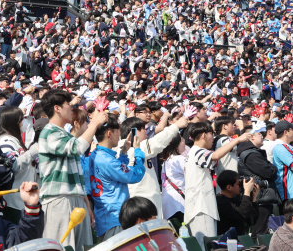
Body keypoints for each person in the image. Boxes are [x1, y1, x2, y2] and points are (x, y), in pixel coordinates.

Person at [37, 90, 108, 251]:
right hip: (59, 199)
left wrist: (86, 204)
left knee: (83, 248)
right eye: (68, 104)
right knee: (62, 247)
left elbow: (77, 175)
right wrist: (94, 123)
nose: (72, 108)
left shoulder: (63, 134)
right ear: (57, 108)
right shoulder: (49, 132)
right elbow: (77, 148)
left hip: (75, 198)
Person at [184, 121, 251, 249]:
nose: (213, 138)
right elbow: (215, 155)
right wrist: (237, 140)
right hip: (201, 207)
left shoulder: (193, 152)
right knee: (207, 245)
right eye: (211, 134)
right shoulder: (197, 151)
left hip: (200, 206)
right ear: (204, 135)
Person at [88, 113, 146, 241]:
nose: (119, 136)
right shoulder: (107, 161)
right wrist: (138, 151)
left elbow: (116, 174)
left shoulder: (95, 155)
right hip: (115, 219)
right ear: (109, 133)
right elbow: (135, 175)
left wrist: (124, 152)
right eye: (117, 133)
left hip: (104, 218)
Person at [0, 106, 40, 215]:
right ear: (13, 123)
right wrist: (34, 150)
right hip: (13, 202)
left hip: (21, 201)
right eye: (21, 120)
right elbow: (13, 165)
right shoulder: (6, 140)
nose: (23, 123)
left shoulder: (15, 140)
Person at [237, 121, 280, 236]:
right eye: (259, 134)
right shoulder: (251, 155)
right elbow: (270, 172)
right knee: (261, 232)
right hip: (260, 198)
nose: (262, 136)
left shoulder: (254, 153)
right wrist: (273, 168)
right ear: (251, 137)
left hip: (262, 197)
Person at [215, 170, 260, 235]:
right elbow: (241, 215)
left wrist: (254, 199)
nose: (241, 186)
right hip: (227, 242)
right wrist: (247, 191)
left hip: (239, 241)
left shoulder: (235, 199)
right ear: (229, 187)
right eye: (238, 184)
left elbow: (251, 221)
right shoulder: (220, 201)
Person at [160, 134, 187, 222]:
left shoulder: (166, 160)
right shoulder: (180, 159)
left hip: (168, 204)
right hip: (179, 203)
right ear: (176, 146)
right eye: (182, 140)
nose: (184, 143)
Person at [274, 120, 293, 201]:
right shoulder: (280, 147)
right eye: (292, 130)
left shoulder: (288, 147)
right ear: (286, 132)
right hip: (289, 193)